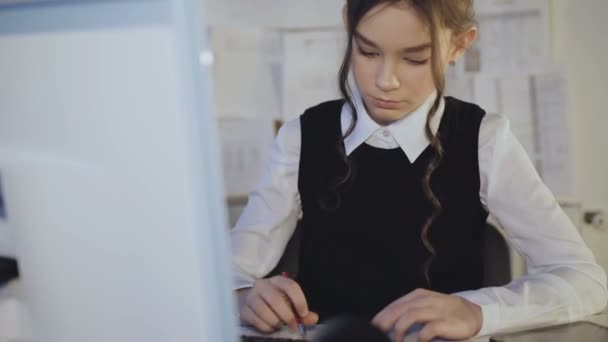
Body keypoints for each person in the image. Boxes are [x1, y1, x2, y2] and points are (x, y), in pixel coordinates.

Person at [230, 1, 608, 341]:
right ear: (348, 25)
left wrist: (479, 311)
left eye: (414, 59)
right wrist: (243, 295)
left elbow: (585, 279)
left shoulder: (485, 140)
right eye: (367, 51)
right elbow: (231, 271)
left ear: (459, 44)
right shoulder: (302, 136)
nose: (385, 80)